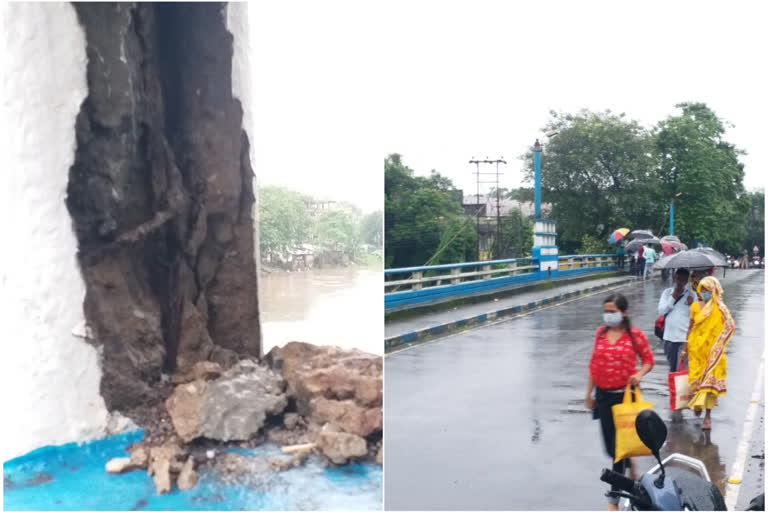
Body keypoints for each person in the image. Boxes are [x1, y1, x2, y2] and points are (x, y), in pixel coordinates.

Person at [586, 293, 655, 510]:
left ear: (623, 313)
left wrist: (639, 375)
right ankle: (629, 462)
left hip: (625, 397)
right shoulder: (601, 334)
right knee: (611, 446)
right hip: (603, 397)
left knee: (617, 450)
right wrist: (588, 394)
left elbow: (648, 361)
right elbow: (594, 365)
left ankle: (613, 500)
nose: (608, 315)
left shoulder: (634, 336)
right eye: (606, 311)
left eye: (612, 311)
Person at [682, 276, 735, 431]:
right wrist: (685, 349)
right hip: (696, 351)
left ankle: (707, 417)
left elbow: (730, 325)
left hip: (713, 354)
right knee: (696, 382)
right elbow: (690, 327)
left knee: (709, 387)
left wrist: (718, 345)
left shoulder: (720, 308)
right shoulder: (695, 307)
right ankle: (697, 404)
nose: (704, 292)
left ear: (713, 290)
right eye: (702, 289)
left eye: (707, 289)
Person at [657, 268, 695, 373]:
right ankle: (673, 388)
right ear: (674, 279)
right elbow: (661, 311)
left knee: (681, 369)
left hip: (684, 339)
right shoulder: (667, 293)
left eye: (683, 280)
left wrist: (692, 304)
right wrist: (673, 298)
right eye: (678, 279)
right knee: (672, 368)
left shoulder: (692, 295)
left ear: (687, 281)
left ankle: (681, 389)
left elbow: (696, 316)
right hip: (668, 337)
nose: (680, 283)